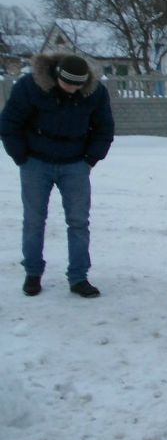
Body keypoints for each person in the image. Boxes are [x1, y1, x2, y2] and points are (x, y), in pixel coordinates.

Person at [1, 53, 114, 298]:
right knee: (33, 221)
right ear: (57, 77)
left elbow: (104, 128)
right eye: (68, 84)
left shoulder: (94, 92)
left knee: (79, 223)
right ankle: (32, 273)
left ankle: (78, 277)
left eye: (78, 85)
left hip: (75, 165)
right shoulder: (30, 87)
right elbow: (9, 123)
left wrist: (90, 160)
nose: (73, 89)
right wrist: (21, 156)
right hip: (35, 163)